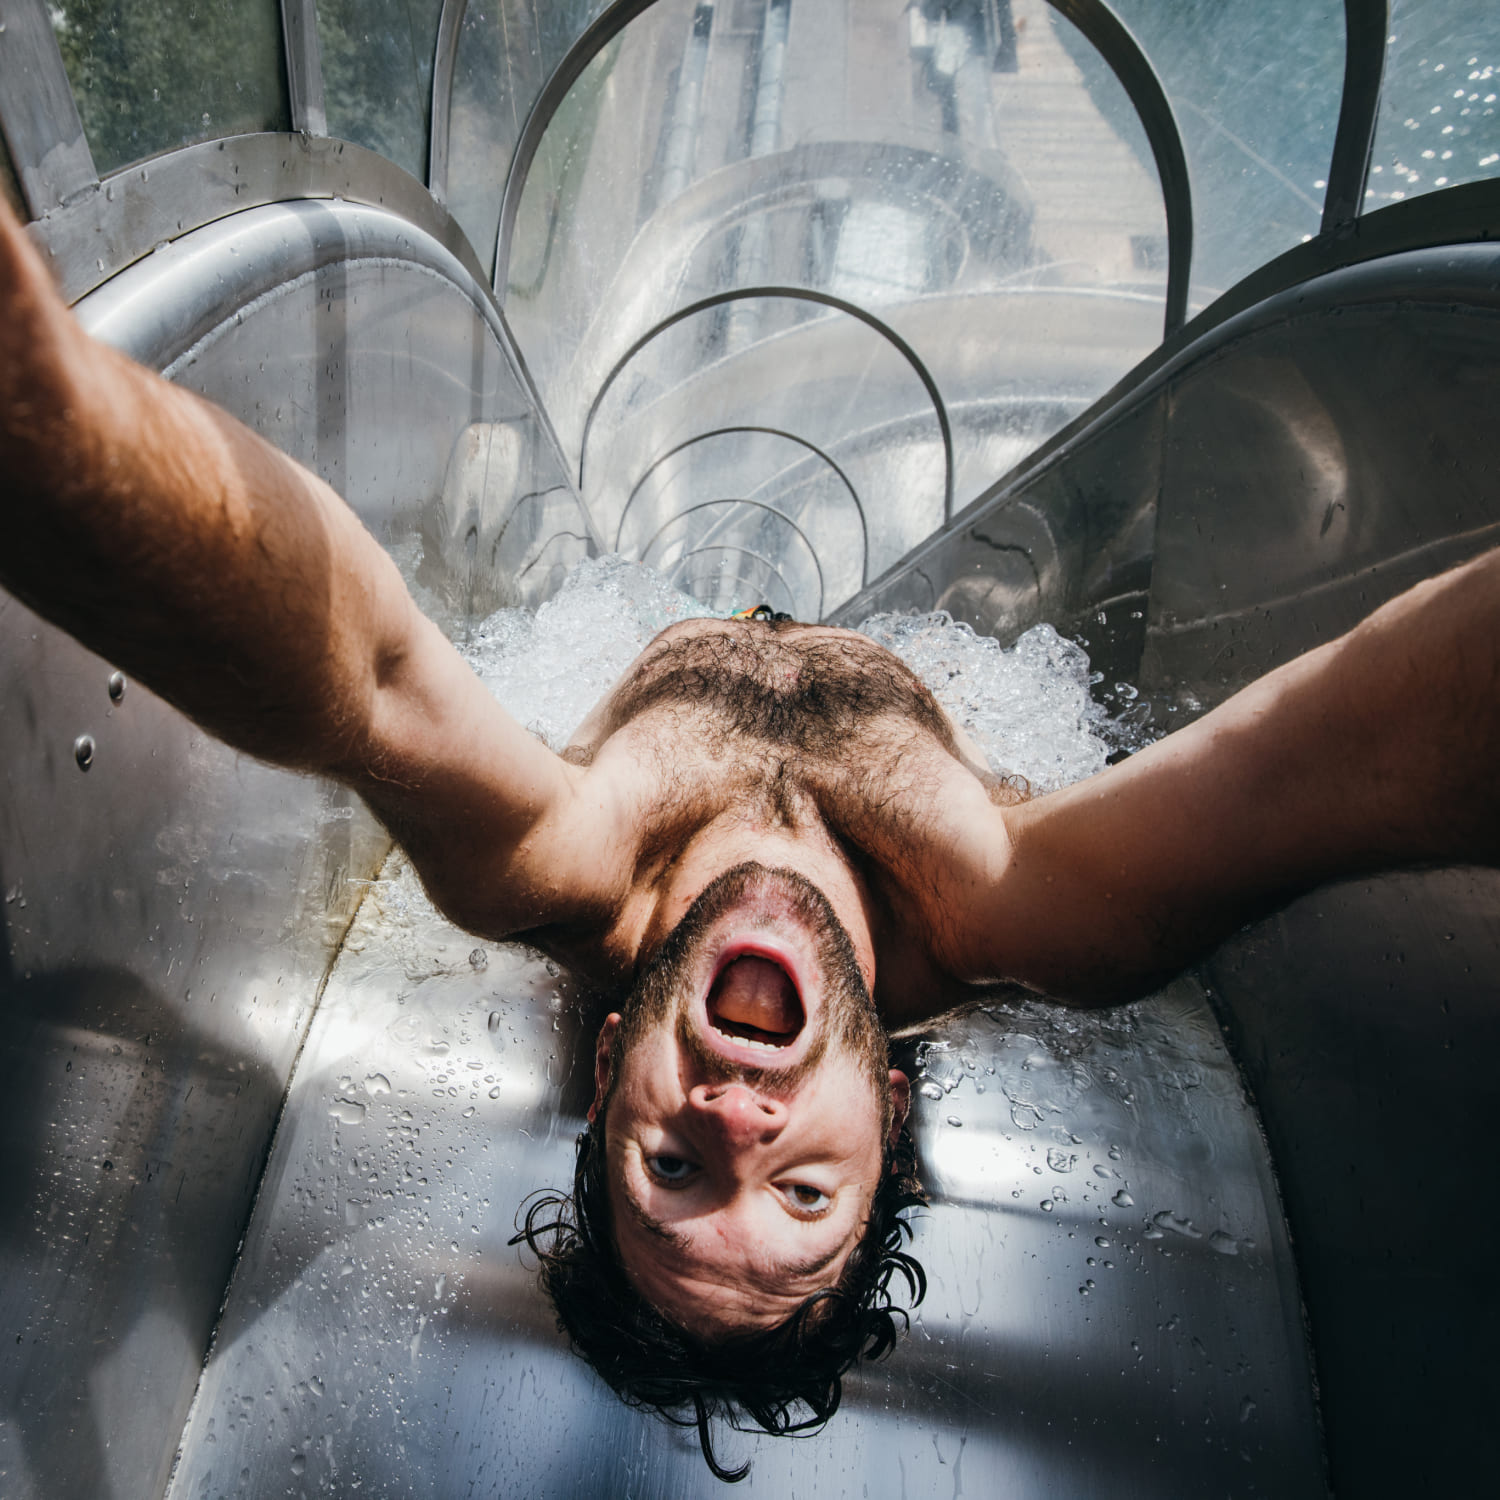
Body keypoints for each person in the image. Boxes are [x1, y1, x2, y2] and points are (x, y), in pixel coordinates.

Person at [4, 193, 1498, 1480]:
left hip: (657, 603)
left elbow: (369, 680)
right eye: (801, 1192)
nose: (738, 1126)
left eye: (671, 1169)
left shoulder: (569, 864)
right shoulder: (1021, 905)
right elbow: (1338, 759)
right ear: (888, 1115)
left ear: (609, 1068)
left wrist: (39, 407)